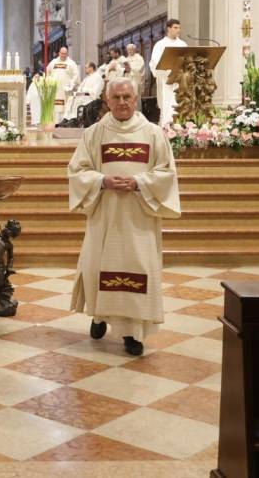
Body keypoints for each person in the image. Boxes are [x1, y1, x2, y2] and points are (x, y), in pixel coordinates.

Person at [67, 78, 181, 356]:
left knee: (137, 269)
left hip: (139, 218)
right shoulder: (94, 133)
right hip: (105, 215)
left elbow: (166, 172)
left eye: (126, 97)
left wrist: (140, 182)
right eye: (116, 97)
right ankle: (99, 316)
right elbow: (77, 171)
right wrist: (102, 181)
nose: (121, 102)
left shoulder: (153, 133)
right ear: (107, 101)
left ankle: (133, 333)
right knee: (99, 267)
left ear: (136, 98)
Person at [149, 19, 188, 125]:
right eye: (175, 27)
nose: (178, 30)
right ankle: (167, 127)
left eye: (179, 28)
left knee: (181, 104)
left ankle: (182, 126)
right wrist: (168, 71)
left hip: (181, 80)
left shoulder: (182, 44)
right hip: (167, 80)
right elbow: (155, 62)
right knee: (168, 105)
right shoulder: (160, 44)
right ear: (168, 29)